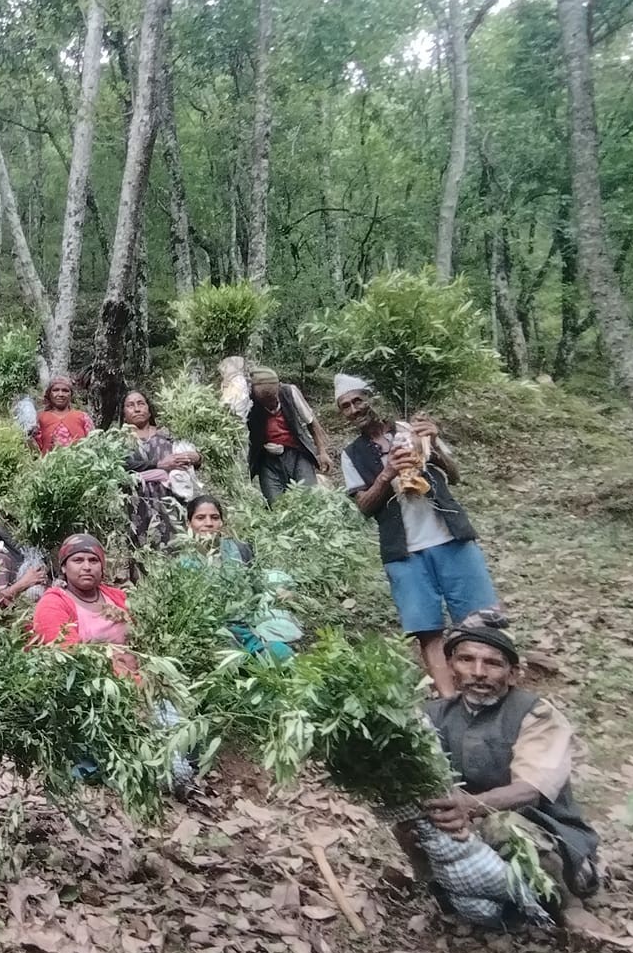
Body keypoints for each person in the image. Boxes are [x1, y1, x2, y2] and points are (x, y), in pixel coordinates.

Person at [401, 618, 601, 909]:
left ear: (513, 674)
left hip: (545, 834)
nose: (478, 672)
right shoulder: (434, 715)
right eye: (466, 660)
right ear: (451, 666)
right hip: (469, 827)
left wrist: (470, 807)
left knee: (502, 825)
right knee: (410, 822)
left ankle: (568, 903)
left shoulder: (535, 714)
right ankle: (440, 892)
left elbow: (530, 789)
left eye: (493, 663)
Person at [336, 373, 498, 698]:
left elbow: (454, 475)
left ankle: (491, 696)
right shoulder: (351, 454)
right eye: (346, 406)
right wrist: (388, 473)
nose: (354, 410)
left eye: (358, 400)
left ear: (373, 398)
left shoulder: (413, 428)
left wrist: (432, 446)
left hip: (450, 537)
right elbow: (364, 507)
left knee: (480, 621)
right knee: (428, 631)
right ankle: (450, 703)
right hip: (404, 552)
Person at [28, 534, 130, 653]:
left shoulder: (117, 596)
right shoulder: (51, 605)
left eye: (93, 560)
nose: (87, 567)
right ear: (64, 567)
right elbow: (71, 654)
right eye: (78, 560)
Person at [246, 367, 331, 504]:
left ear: (278, 388)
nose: (271, 405)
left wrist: (322, 452)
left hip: (298, 453)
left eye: (272, 399)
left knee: (309, 498)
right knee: (276, 504)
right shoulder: (248, 401)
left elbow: (311, 422)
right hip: (267, 460)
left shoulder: (289, 392)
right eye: (265, 402)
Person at [118, 389, 188, 545]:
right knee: (141, 549)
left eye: (141, 404)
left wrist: (196, 457)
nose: (137, 409)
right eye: (130, 405)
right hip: (135, 505)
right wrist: (158, 465)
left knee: (175, 545)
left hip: (171, 501)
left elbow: (187, 457)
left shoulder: (168, 435)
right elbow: (122, 466)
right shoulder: (118, 441)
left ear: (149, 410)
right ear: (124, 414)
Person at [184, 494, 256, 565]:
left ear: (222, 522)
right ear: (188, 523)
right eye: (200, 518)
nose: (209, 523)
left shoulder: (242, 549)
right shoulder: (182, 558)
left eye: (215, 518)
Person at [32, 375, 93, 454]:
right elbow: (35, 450)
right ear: (49, 394)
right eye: (55, 390)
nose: (60, 394)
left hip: (79, 461)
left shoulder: (83, 417)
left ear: (71, 395)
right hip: (50, 461)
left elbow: (93, 444)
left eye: (65, 391)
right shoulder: (40, 418)